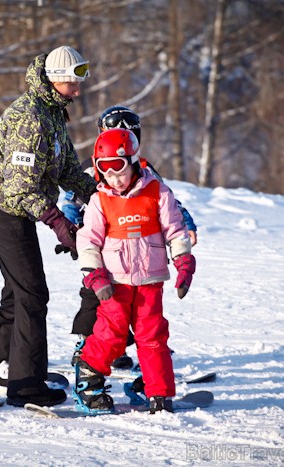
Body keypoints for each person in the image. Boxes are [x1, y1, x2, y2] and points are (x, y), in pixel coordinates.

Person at [0, 45, 97, 408]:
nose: (78, 88)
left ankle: (0, 362)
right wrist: (58, 221)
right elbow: (19, 186)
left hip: (16, 210)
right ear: (54, 79)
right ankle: (26, 384)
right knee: (32, 293)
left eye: (81, 80)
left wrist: (100, 195)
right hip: (5, 211)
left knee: (18, 289)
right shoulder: (31, 117)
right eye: (73, 80)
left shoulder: (53, 113)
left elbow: (67, 170)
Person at [61, 106, 197, 370]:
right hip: (101, 239)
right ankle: (87, 342)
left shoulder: (143, 169)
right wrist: (71, 228)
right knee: (97, 294)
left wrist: (187, 224)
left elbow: (169, 202)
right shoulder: (92, 168)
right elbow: (71, 199)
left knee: (134, 302)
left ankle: (122, 346)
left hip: (138, 245)